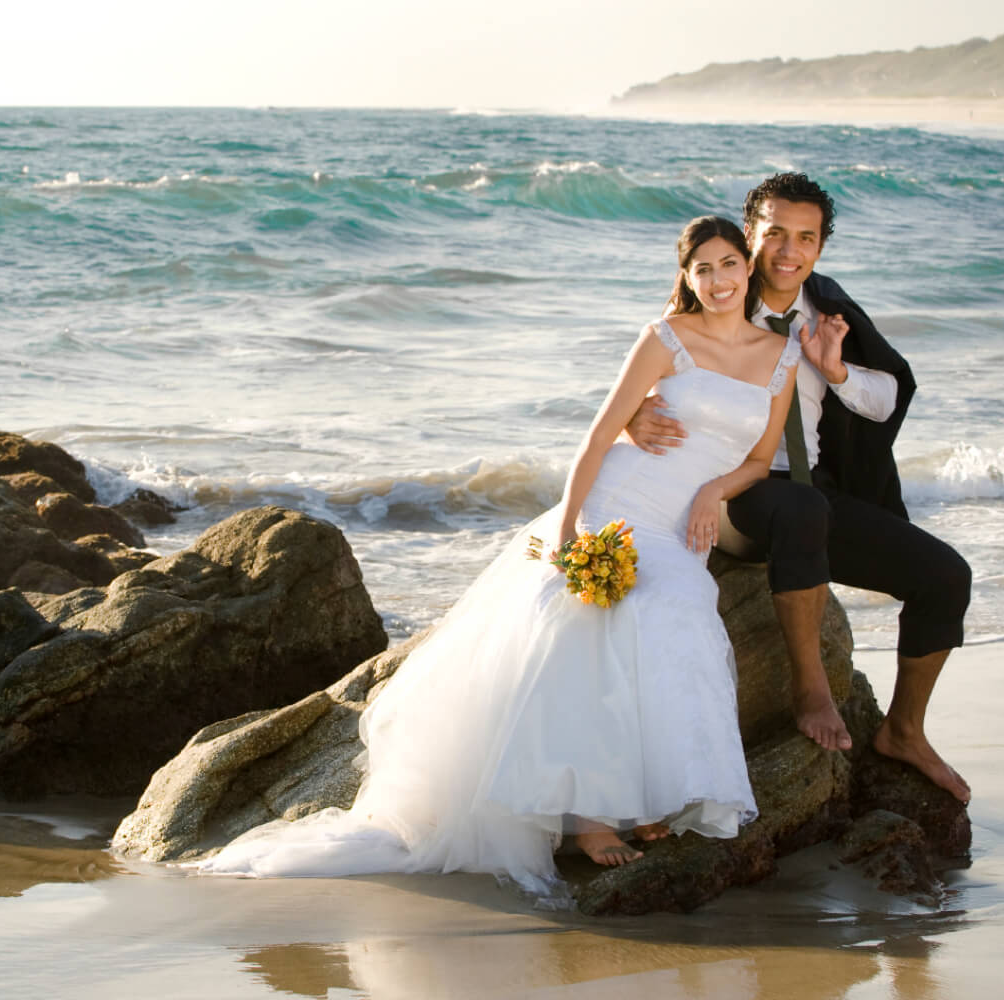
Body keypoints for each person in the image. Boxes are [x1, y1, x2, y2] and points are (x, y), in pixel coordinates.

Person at [192, 217, 800, 901]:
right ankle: (588, 819)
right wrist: (570, 527)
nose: (719, 281)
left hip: (679, 520)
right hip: (617, 504)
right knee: (593, 623)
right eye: (703, 269)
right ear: (686, 278)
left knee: (681, 615)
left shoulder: (779, 356)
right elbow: (600, 434)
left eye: (729, 265)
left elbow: (756, 459)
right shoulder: (666, 339)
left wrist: (714, 490)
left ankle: (647, 801)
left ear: (749, 267)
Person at [626, 173, 972, 803]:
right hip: (732, 498)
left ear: (820, 247)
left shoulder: (828, 307)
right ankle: (811, 688)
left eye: (806, 238)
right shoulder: (719, 294)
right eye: (775, 234)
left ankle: (904, 731)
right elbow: (647, 370)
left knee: (946, 576)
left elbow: (888, 396)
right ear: (749, 236)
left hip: (811, 495)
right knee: (798, 507)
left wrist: (834, 369)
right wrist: (633, 415)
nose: (789, 251)